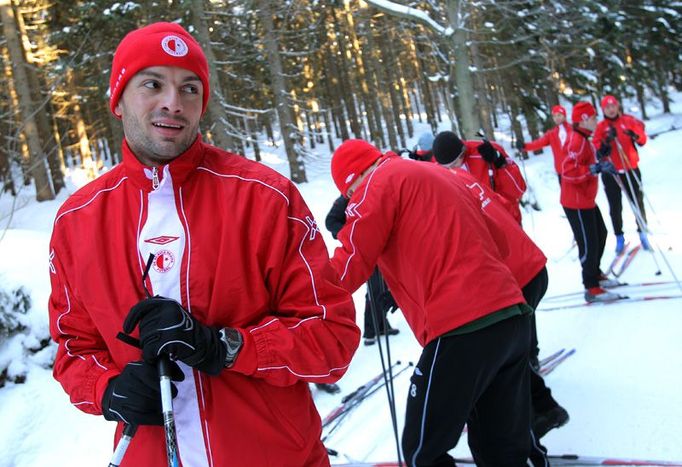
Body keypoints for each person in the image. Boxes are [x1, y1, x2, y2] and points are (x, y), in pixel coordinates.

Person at [47, 22, 360, 467]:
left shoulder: (265, 198)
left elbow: (333, 338)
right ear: (118, 99)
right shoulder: (77, 221)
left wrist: (225, 346)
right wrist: (108, 391)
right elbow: (73, 349)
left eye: (189, 88)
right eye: (152, 84)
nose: (173, 103)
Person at [330, 139, 535, 466]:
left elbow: (348, 266)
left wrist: (300, 292)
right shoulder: (438, 173)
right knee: (501, 449)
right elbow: (499, 241)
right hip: (510, 316)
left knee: (421, 452)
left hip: (462, 327)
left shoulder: (379, 181)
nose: (353, 201)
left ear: (355, 179)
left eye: (350, 194)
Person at [440, 153, 570, 442]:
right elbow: (505, 208)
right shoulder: (463, 180)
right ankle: (542, 406)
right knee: (511, 347)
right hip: (530, 266)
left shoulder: (448, 190)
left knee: (502, 352)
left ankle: (530, 415)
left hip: (516, 274)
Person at [561, 102, 622, 302]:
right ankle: (591, 286)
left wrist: (602, 156)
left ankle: (595, 274)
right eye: (594, 117)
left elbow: (589, 159)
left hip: (586, 199)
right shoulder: (575, 140)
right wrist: (594, 170)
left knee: (601, 234)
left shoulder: (584, 138)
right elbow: (568, 171)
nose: (597, 120)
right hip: (576, 202)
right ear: (585, 119)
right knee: (588, 244)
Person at [325, 194, 400, 346]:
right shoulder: (347, 196)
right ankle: (370, 331)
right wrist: (352, 234)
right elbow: (330, 222)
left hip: (381, 248)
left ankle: (381, 325)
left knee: (383, 288)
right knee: (375, 290)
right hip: (363, 251)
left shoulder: (372, 192)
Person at [592, 95, 650, 253]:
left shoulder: (628, 120)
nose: (610, 109)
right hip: (612, 172)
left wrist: (635, 135)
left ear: (617, 106)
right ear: (603, 110)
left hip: (630, 168)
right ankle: (619, 236)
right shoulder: (601, 126)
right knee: (615, 206)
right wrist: (606, 144)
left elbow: (642, 140)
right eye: (607, 107)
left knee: (637, 202)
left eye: (613, 106)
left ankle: (642, 232)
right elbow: (597, 149)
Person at [432, 131, 527, 225]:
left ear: (462, 152)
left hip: (508, 222)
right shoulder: (438, 169)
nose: (451, 168)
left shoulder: (484, 151)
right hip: (479, 231)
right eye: (446, 167)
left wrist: (500, 163)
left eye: (454, 164)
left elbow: (519, 189)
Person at [519, 105, 572, 183]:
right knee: (567, 195)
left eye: (559, 115)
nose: (557, 118)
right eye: (554, 116)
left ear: (564, 115)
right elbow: (538, 143)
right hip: (562, 171)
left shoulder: (573, 129)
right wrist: (524, 146)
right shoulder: (552, 134)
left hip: (576, 168)